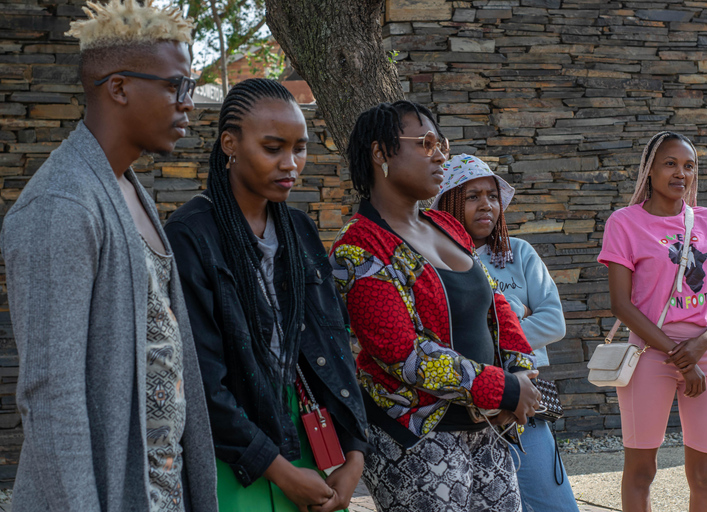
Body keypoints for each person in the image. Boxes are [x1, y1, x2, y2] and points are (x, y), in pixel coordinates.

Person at [0, 0, 218, 510]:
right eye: (175, 85)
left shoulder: (125, 186)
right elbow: (51, 398)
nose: (189, 103)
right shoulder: (61, 205)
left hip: (158, 492)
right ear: (118, 87)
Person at [165, 78, 369, 512]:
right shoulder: (190, 236)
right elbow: (199, 377)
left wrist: (354, 453)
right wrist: (276, 469)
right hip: (233, 448)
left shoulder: (299, 230)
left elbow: (331, 342)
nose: (291, 164)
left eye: (299, 148)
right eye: (273, 148)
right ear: (229, 144)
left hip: (310, 432)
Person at [330, 101, 542, 512]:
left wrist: (520, 372)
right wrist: (504, 388)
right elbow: (403, 354)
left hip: (488, 430)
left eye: (440, 142)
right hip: (415, 440)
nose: (442, 154)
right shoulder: (359, 247)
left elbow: (494, 304)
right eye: (425, 143)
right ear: (380, 153)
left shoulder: (444, 226)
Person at [597, 131, 707, 512]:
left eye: (689, 166)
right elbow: (621, 305)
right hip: (648, 353)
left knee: (705, 475)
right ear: (650, 170)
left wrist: (701, 346)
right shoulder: (624, 223)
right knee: (641, 472)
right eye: (670, 163)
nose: (681, 173)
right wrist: (681, 355)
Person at [433, 153, 580, 512]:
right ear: (450, 203)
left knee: (554, 505)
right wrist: (515, 316)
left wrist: (493, 328)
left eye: (492, 195)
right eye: (472, 196)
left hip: (522, 401)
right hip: (464, 410)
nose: (486, 205)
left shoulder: (520, 254)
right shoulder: (435, 260)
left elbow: (554, 323)